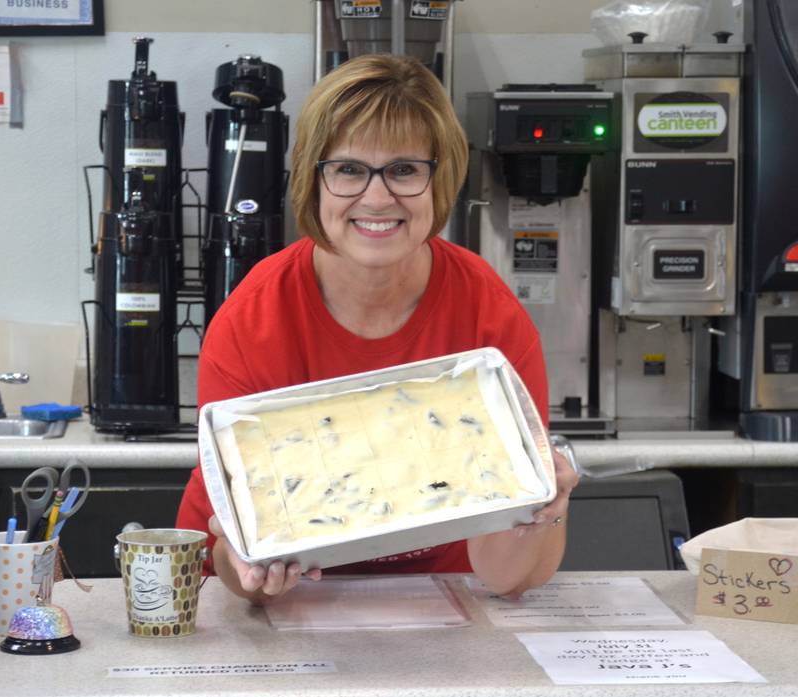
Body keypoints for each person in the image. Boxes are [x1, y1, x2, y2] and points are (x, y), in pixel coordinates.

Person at [176, 53, 579, 604]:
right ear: (313, 180)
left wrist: (541, 506)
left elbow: (509, 578)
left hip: (445, 606)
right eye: (347, 169)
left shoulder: (489, 320)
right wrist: (254, 573)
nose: (376, 197)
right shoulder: (255, 321)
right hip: (298, 616)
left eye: (405, 169)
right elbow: (226, 563)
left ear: (441, 180)